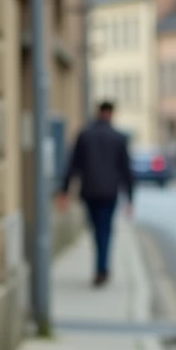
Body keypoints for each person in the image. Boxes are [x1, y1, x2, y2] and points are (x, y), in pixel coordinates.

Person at [57, 101, 134, 286]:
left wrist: (64, 191)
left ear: (98, 112)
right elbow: (126, 171)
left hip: (90, 192)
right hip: (109, 192)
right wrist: (129, 199)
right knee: (105, 230)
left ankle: (100, 269)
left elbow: (73, 165)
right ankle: (102, 269)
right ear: (111, 114)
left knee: (97, 230)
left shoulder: (85, 135)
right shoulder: (118, 138)